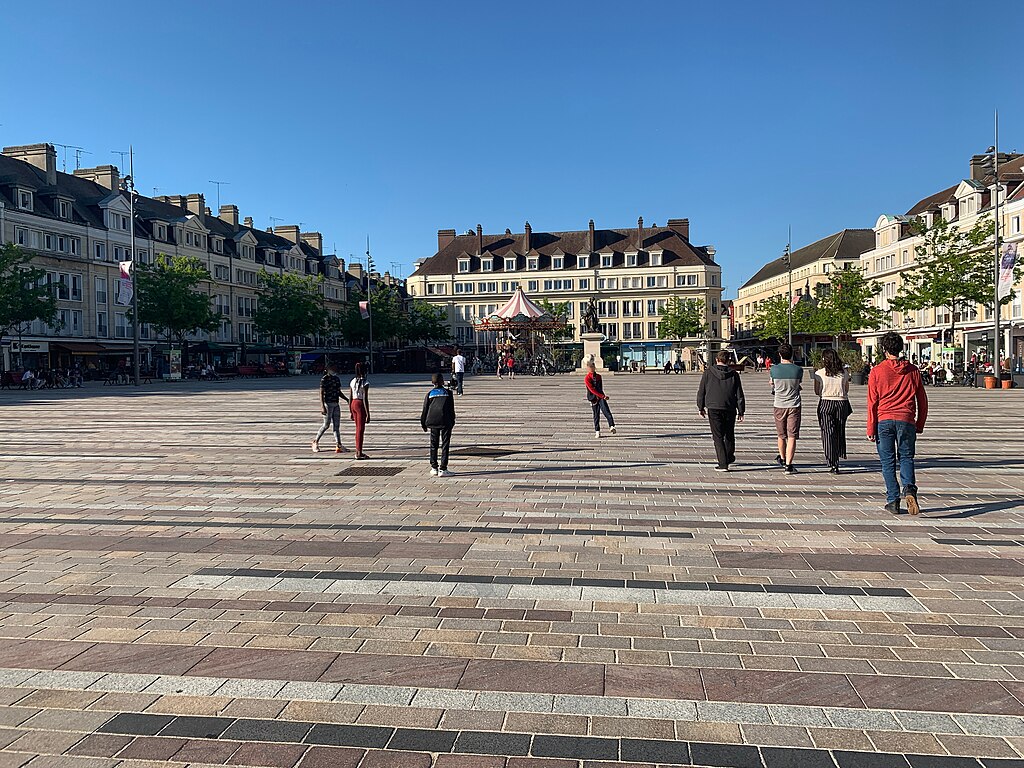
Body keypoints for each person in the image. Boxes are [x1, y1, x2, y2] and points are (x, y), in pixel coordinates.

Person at [867, 331, 928, 516]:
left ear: (884, 350)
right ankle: (909, 488)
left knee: (888, 462)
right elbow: (922, 400)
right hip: (906, 420)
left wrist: (871, 427)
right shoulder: (913, 370)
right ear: (901, 349)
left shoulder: (877, 371)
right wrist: (919, 423)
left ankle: (893, 500)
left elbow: (872, 402)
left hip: (884, 420)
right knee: (907, 457)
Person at [697, 350, 746, 471]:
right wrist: (741, 410)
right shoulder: (734, 374)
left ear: (716, 360)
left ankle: (723, 463)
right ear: (728, 361)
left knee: (718, 436)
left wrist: (700, 407)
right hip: (729, 407)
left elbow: (701, 390)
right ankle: (728, 456)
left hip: (713, 407)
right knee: (729, 434)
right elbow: (739, 394)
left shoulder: (708, 372)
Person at [813, 348, 851, 474]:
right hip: (841, 403)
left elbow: (817, 391)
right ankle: (839, 456)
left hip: (826, 402)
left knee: (828, 433)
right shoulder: (844, 373)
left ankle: (832, 461)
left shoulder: (819, 373)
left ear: (824, 359)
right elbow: (846, 389)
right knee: (840, 431)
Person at [769, 343, 802, 474]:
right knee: (792, 435)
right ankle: (789, 465)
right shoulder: (798, 370)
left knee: (781, 435)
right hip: (794, 405)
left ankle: (782, 458)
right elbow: (798, 384)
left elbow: (772, 383)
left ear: (780, 354)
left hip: (779, 404)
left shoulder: (774, 369)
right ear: (792, 354)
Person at [420, 372, 456, 477]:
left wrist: (423, 423)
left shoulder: (430, 394)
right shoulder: (448, 393)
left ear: (432, 382)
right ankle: (443, 468)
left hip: (433, 421)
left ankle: (434, 467)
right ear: (442, 381)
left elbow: (425, 409)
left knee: (433, 444)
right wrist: (452, 421)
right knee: (445, 444)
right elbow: (451, 409)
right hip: (445, 421)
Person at [312, 362, 348, 453]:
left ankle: (338, 445)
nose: (335, 370)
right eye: (333, 368)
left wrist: (347, 399)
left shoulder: (336, 379)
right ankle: (315, 441)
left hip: (336, 404)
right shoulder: (324, 379)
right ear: (328, 369)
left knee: (336, 426)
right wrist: (322, 406)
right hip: (327, 404)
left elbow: (338, 392)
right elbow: (321, 393)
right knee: (326, 425)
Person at [584, 361, 616, 438]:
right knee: (596, 415)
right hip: (593, 398)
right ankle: (597, 431)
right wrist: (602, 396)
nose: (591, 369)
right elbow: (592, 390)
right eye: (590, 367)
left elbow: (600, 388)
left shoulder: (599, 376)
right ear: (587, 368)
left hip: (601, 397)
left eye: (592, 367)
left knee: (606, 411)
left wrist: (602, 396)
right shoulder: (587, 378)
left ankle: (612, 426)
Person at [349, 362, 371, 459]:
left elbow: (350, 397)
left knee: (357, 429)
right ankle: (359, 453)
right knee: (360, 429)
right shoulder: (365, 382)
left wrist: (350, 410)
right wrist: (368, 413)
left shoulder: (353, 381)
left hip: (353, 403)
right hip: (360, 404)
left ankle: (357, 450)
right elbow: (365, 398)